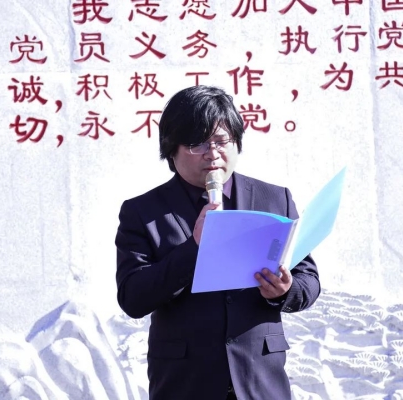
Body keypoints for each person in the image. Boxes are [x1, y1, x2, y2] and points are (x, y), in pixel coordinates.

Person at [115, 85, 320, 400]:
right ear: (171, 149)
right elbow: (133, 297)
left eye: (222, 141)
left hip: (260, 382)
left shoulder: (273, 198)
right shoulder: (143, 212)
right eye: (196, 143)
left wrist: (284, 290)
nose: (212, 153)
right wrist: (194, 248)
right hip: (185, 385)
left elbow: (308, 280)